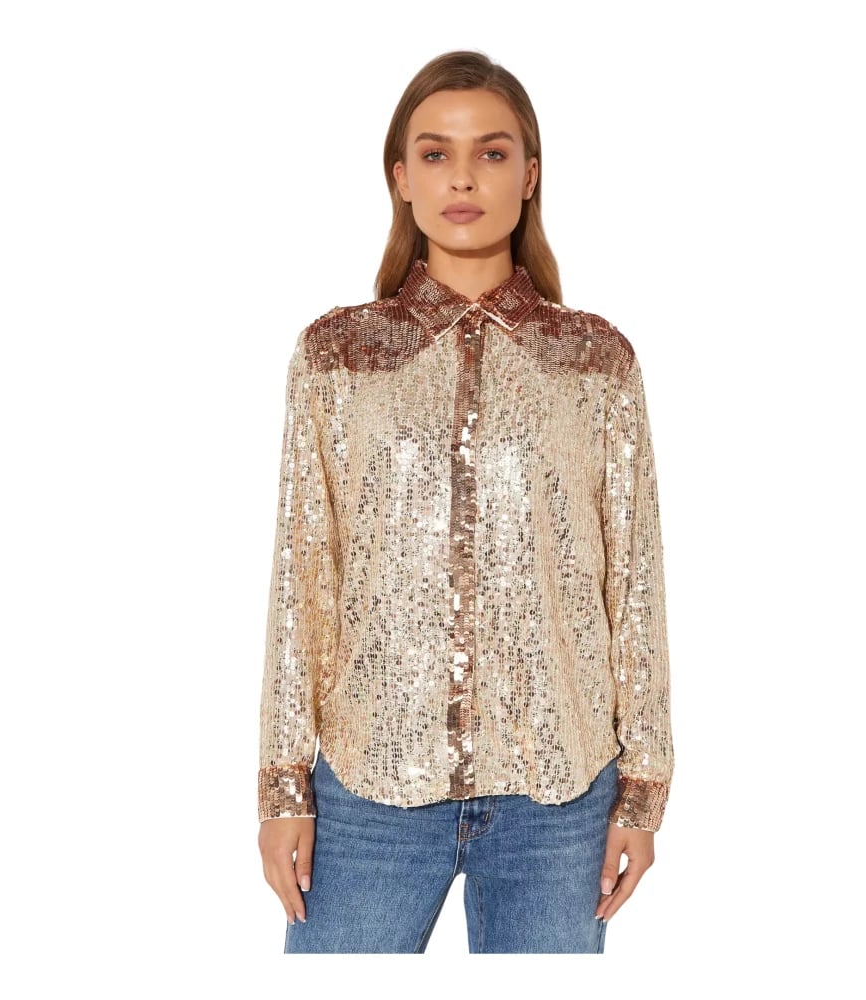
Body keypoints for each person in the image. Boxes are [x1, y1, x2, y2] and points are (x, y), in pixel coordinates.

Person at [256, 49, 674, 954]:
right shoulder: (339, 356)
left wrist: (643, 790)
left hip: (558, 794)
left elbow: (635, 581)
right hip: (370, 790)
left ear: (530, 175)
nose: (463, 178)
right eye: (435, 153)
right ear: (400, 178)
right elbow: (303, 577)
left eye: (491, 152)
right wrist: (283, 785)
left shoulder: (595, 361)